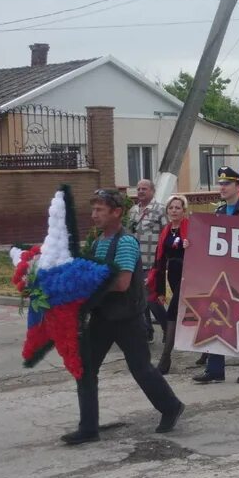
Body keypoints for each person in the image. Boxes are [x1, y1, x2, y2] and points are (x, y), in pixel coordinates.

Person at [62, 189, 185, 445]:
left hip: (126, 318)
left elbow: (121, 282)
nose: (94, 214)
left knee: (140, 368)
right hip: (103, 317)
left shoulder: (126, 242)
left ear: (116, 212)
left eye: (100, 210)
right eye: (93, 209)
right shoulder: (99, 242)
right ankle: (88, 428)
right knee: (84, 369)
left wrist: (88, 282)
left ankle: (171, 406)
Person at [194, 166, 239, 385]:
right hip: (223, 276)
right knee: (216, 318)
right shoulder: (220, 212)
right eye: (221, 183)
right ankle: (215, 369)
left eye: (227, 184)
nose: (222, 187)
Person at [150, 194, 190, 375]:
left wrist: (191, 246)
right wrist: (158, 287)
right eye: (171, 208)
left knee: (172, 313)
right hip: (173, 275)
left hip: (189, 276)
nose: (174, 211)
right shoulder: (166, 231)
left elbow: (203, 251)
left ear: (184, 211)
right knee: (189, 314)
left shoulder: (190, 228)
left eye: (178, 208)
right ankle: (207, 354)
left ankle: (165, 359)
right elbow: (159, 259)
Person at [127, 179, 168, 342]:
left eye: (144, 189)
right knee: (139, 298)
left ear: (152, 191)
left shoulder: (160, 210)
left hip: (152, 261)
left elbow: (166, 233)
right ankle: (147, 331)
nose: (140, 191)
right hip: (135, 261)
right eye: (138, 189)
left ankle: (167, 328)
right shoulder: (133, 210)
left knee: (151, 299)